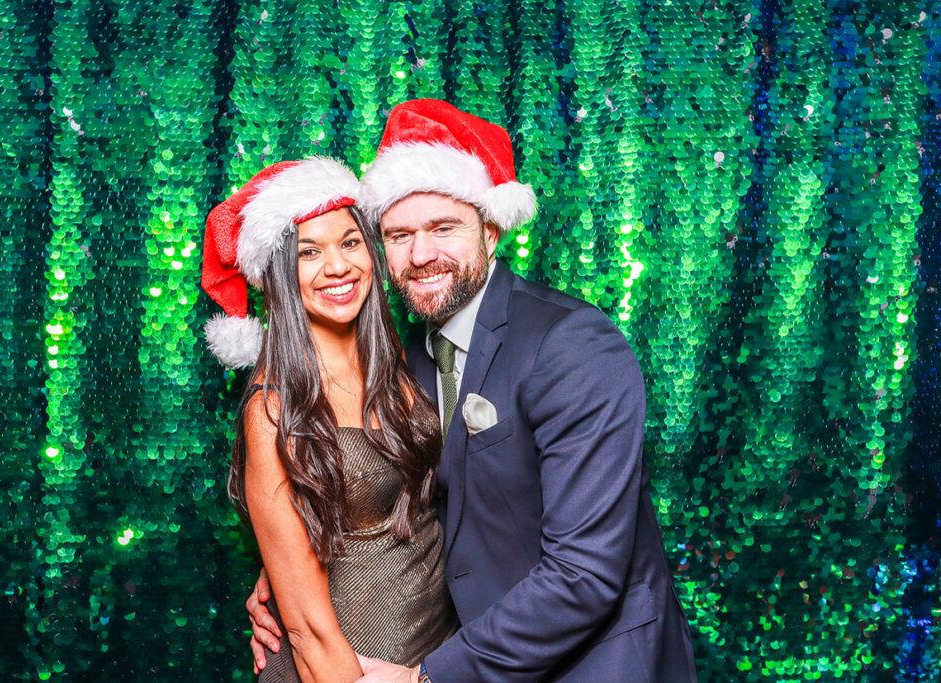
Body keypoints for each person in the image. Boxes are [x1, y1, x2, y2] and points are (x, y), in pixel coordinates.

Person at [248, 100, 697, 682]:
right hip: (463, 644)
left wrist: (426, 679)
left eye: (443, 228)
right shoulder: (404, 357)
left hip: (592, 663)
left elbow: (584, 573)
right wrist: (285, 566)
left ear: (491, 229)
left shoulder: (573, 345)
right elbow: (397, 489)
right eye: (399, 235)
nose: (422, 254)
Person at [201, 157, 458, 682]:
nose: (337, 266)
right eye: (309, 252)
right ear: (279, 275)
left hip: (434, 648)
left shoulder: (404, 362)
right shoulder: (273, 409)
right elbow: (308, 632)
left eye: (349, 242)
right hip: (346, 666)